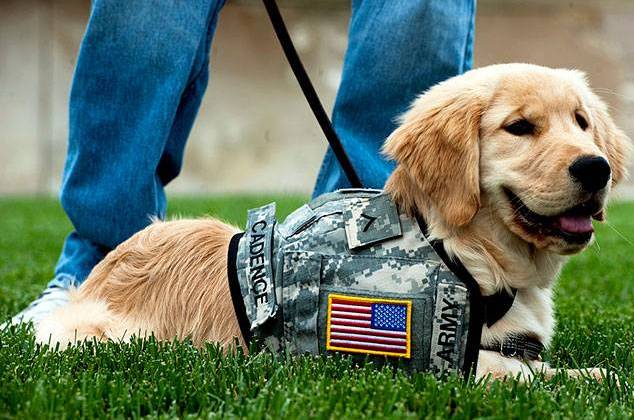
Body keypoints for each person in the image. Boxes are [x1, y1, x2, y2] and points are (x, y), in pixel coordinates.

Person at [10, 0, 475, 326]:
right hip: (110, 276)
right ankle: (99, 268)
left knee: (420, 8)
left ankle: (361, 266)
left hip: (374, 253)